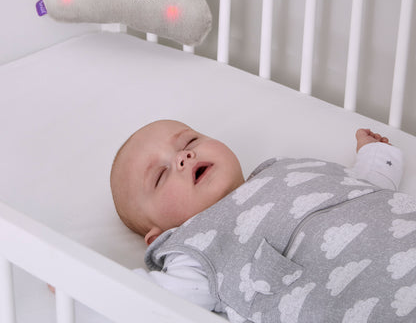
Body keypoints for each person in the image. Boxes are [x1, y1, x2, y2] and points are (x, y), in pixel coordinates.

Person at [110, 120, 416, 322]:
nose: (183, 157)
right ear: (160, 235)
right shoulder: (197, 248)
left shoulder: (285, 169)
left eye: (189, 141)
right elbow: (143, 300)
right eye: (161, 175)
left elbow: (363, 188)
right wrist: (67, 270)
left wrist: (375, 156)